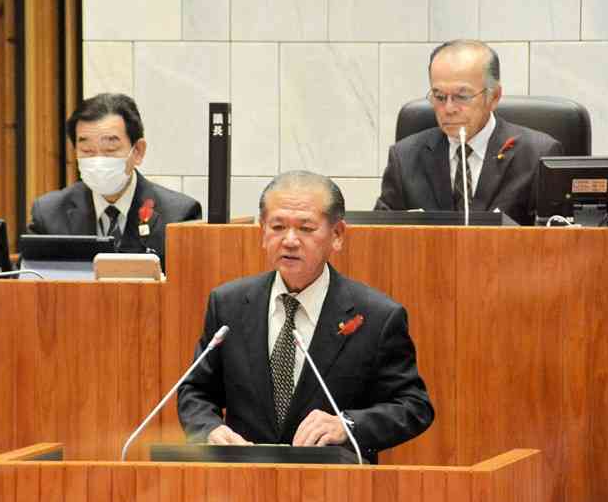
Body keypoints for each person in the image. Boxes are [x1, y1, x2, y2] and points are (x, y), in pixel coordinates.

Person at [178, 171, 434, 463]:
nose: (289, 240)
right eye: (277, 226)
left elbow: (413, 407)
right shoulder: (228, 304)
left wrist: (346, 425)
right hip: (243, 483)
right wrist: (209, 429)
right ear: (262, 232)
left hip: (335, 491)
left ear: (336, 235)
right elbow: (196, 390)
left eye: (306, 229)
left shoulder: (377, 316)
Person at [375, 40, 563, 225]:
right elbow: (379, 237)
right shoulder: (404, 158)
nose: (448, 108)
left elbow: (556, 244)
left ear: (494, 97)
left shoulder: (537, 156)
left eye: (462, 97)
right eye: (439, 96)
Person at [28, 93, 201, 267]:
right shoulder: (49, 214)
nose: (97, 161)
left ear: (138, 151)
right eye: (87, 150)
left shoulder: (178, 216)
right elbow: (31, 283)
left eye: (110, 149)